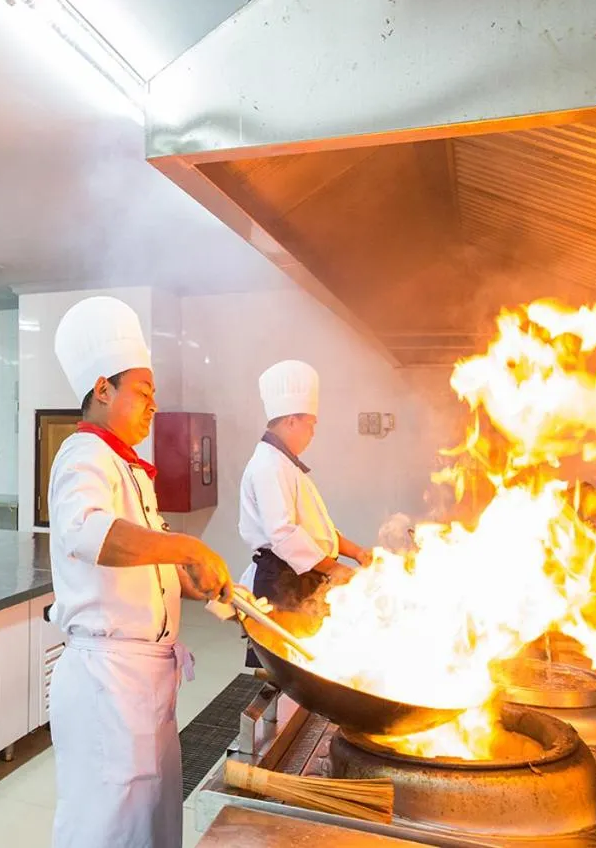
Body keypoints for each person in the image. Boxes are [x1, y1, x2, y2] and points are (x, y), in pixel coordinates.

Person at [47, 296, 234, 848]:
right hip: (109, 682)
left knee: (148, 826)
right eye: (144, 393)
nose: (154, 407)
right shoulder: (83, 454)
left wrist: (191, 585)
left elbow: (143, 566)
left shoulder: (127, 465)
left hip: (144, 682)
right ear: (103, 389)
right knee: (105, 831)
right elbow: (87, 532)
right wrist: (185, 551)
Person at [238, 360, 373, 652]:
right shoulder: (268, 466)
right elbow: (283, 533)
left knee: (308, 655)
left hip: (300, 577)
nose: (313, 433)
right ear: (291, 421)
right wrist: (334, 568)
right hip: (284, 581)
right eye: (310, 425)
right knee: (291, 663)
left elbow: (318, 530)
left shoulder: (285, 465)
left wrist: (357, 553)